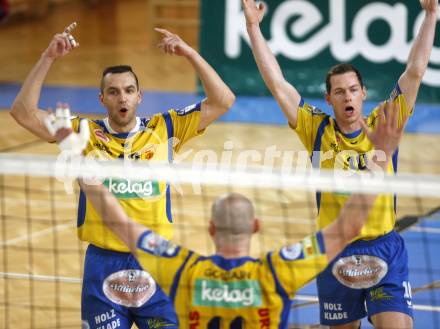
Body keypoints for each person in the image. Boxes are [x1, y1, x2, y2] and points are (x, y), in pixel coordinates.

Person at [48, 100, 407, 327]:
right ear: (255, 226)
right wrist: (380, 160)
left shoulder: (181, 267)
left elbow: (117, 220)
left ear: (210, 228)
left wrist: (77, 156)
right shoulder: (276, 272)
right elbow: (347, 227)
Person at [10, 22, 235, 329]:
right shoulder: (81, 133)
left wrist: (190, 54)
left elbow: (223, 100)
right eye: (113, 92)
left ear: (139, 96)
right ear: (102, 99)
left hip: (156, 259)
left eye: (129, 91)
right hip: (103, 263)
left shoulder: (165, 129)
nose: (122, 98)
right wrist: (48, 56)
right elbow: (22, 113)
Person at [242, 0, 438, 327]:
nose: (347, 97)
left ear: (363, 93)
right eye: (339, 92)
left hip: (384, 248)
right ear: (329, 98)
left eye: (352, 90)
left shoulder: (385, 122)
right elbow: (277, 84)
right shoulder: (316, 129)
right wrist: (252, 28)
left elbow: (415, 72)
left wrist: (432, 14)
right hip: (334, 251)